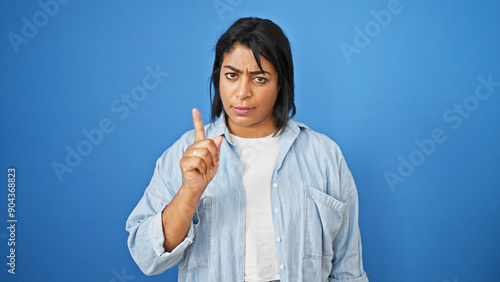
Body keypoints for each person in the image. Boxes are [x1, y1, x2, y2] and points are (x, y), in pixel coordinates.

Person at [126, 17, 368, 282]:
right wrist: (189, 191)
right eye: (231, 75)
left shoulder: (324, 156)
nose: (242, 92)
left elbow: (348, 271)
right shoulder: (186, 154)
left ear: (280, 84)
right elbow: (146, 257)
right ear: (218, 77)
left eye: (260, 79)